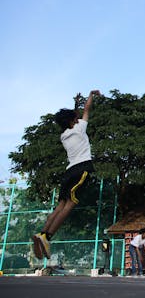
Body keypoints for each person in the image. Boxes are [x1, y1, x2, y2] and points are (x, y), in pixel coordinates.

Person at [32, 90, 101, 260]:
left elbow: (74, 115)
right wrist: (91, 95)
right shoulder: (79, 128)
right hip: (81, 169)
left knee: (60, 205)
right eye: (75, 119)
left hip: (68, 172)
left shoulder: (63, 135)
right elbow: (86, 110)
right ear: (72, 121)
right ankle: (47, 238)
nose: (78, 119)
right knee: (70, 204)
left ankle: (43, 233)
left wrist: (75, 104)